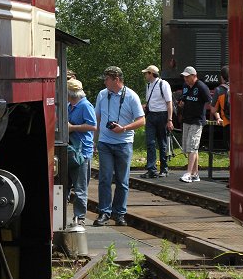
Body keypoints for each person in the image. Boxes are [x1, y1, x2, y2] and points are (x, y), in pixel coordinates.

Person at [93, 66, 145, 227]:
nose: (104, 81)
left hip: (124, 143)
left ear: (116, 79)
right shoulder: (102, 95)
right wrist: (95, 141)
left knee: (122, 181)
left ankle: (119, 214)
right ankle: (104, 212)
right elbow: (98, 118)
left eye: (107, 78)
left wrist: (124, 128)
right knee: (105, 178)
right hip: (105, 143)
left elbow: (142, 120)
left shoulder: (131, 96)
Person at [67, 78, 97, 225]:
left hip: (82, 152)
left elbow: (92, 126)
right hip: (69, 149)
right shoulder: (68, 106)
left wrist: (72, 128)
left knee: (80, 188)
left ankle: (80, 218)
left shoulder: (85, 106)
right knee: (64, 185)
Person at [178, 66, 211, 183]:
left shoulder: (202, 87)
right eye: (184, 77)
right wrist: (181, 103)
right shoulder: (185, 86)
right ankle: (195, 174)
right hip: (187, 119)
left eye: (187, 77)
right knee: (189, 147)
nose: (185, 79)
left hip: (197, 120)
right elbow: (184, 98)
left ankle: (188, 173)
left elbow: (209, 101)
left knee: (192, 146)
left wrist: (214, 115)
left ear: (194, 76)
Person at [140, 65, 174, 178]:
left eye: (146, 73)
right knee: (150, 142)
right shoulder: (148, 85)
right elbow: (150, 101)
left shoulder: (163, 84)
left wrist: (169, 119)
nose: (145, 75)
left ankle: (164, 168)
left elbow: (169, 103)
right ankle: (151, 169)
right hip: (151, 115)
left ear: (151, 73)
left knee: (162, 142)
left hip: (162, 115)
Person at [211, 66, 230, 152]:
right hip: (240, 124)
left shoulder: (219, 90)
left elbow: (213, 110)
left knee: (229, 147)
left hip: (227, 123)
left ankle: (231, 165)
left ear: (222, 77)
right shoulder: (241, 87)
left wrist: (218, 117)